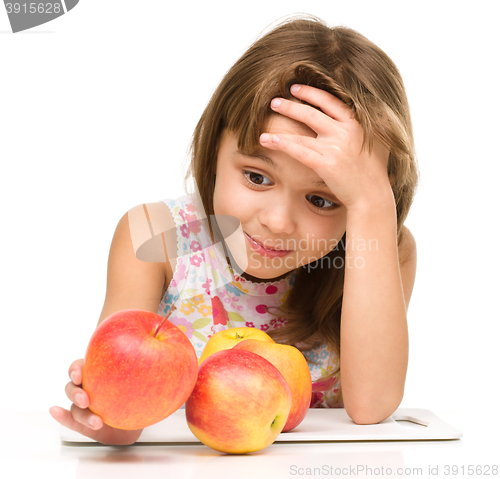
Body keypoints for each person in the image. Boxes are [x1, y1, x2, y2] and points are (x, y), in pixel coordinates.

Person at [49, 14, 419, 445]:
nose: (277, 221)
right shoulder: (153, 236)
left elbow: (372, 405)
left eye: (322, 199)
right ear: (215, 152)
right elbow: (119, 413)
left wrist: (373, 206)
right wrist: (109, 419)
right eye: (257, 177)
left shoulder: (382, 247)